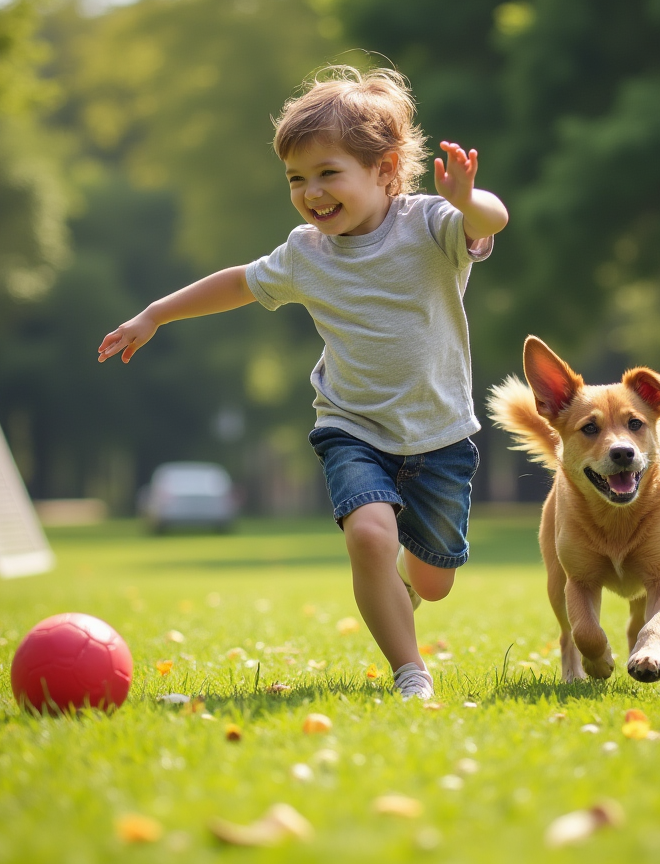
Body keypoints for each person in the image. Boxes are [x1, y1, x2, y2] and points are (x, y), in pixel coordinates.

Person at [97, 66, 508, 699]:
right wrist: (155, 314)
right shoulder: (305, 253)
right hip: (352, 427)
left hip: (440, 435)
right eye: (296, 178)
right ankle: (411, 673)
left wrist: (464, 198)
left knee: (431, 582)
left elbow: (495, 219)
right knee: (370, 535)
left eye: (327, 173)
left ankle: (399, 581)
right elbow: (237, 282)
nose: (310, 192)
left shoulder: (432, 226)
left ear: (384, 168)